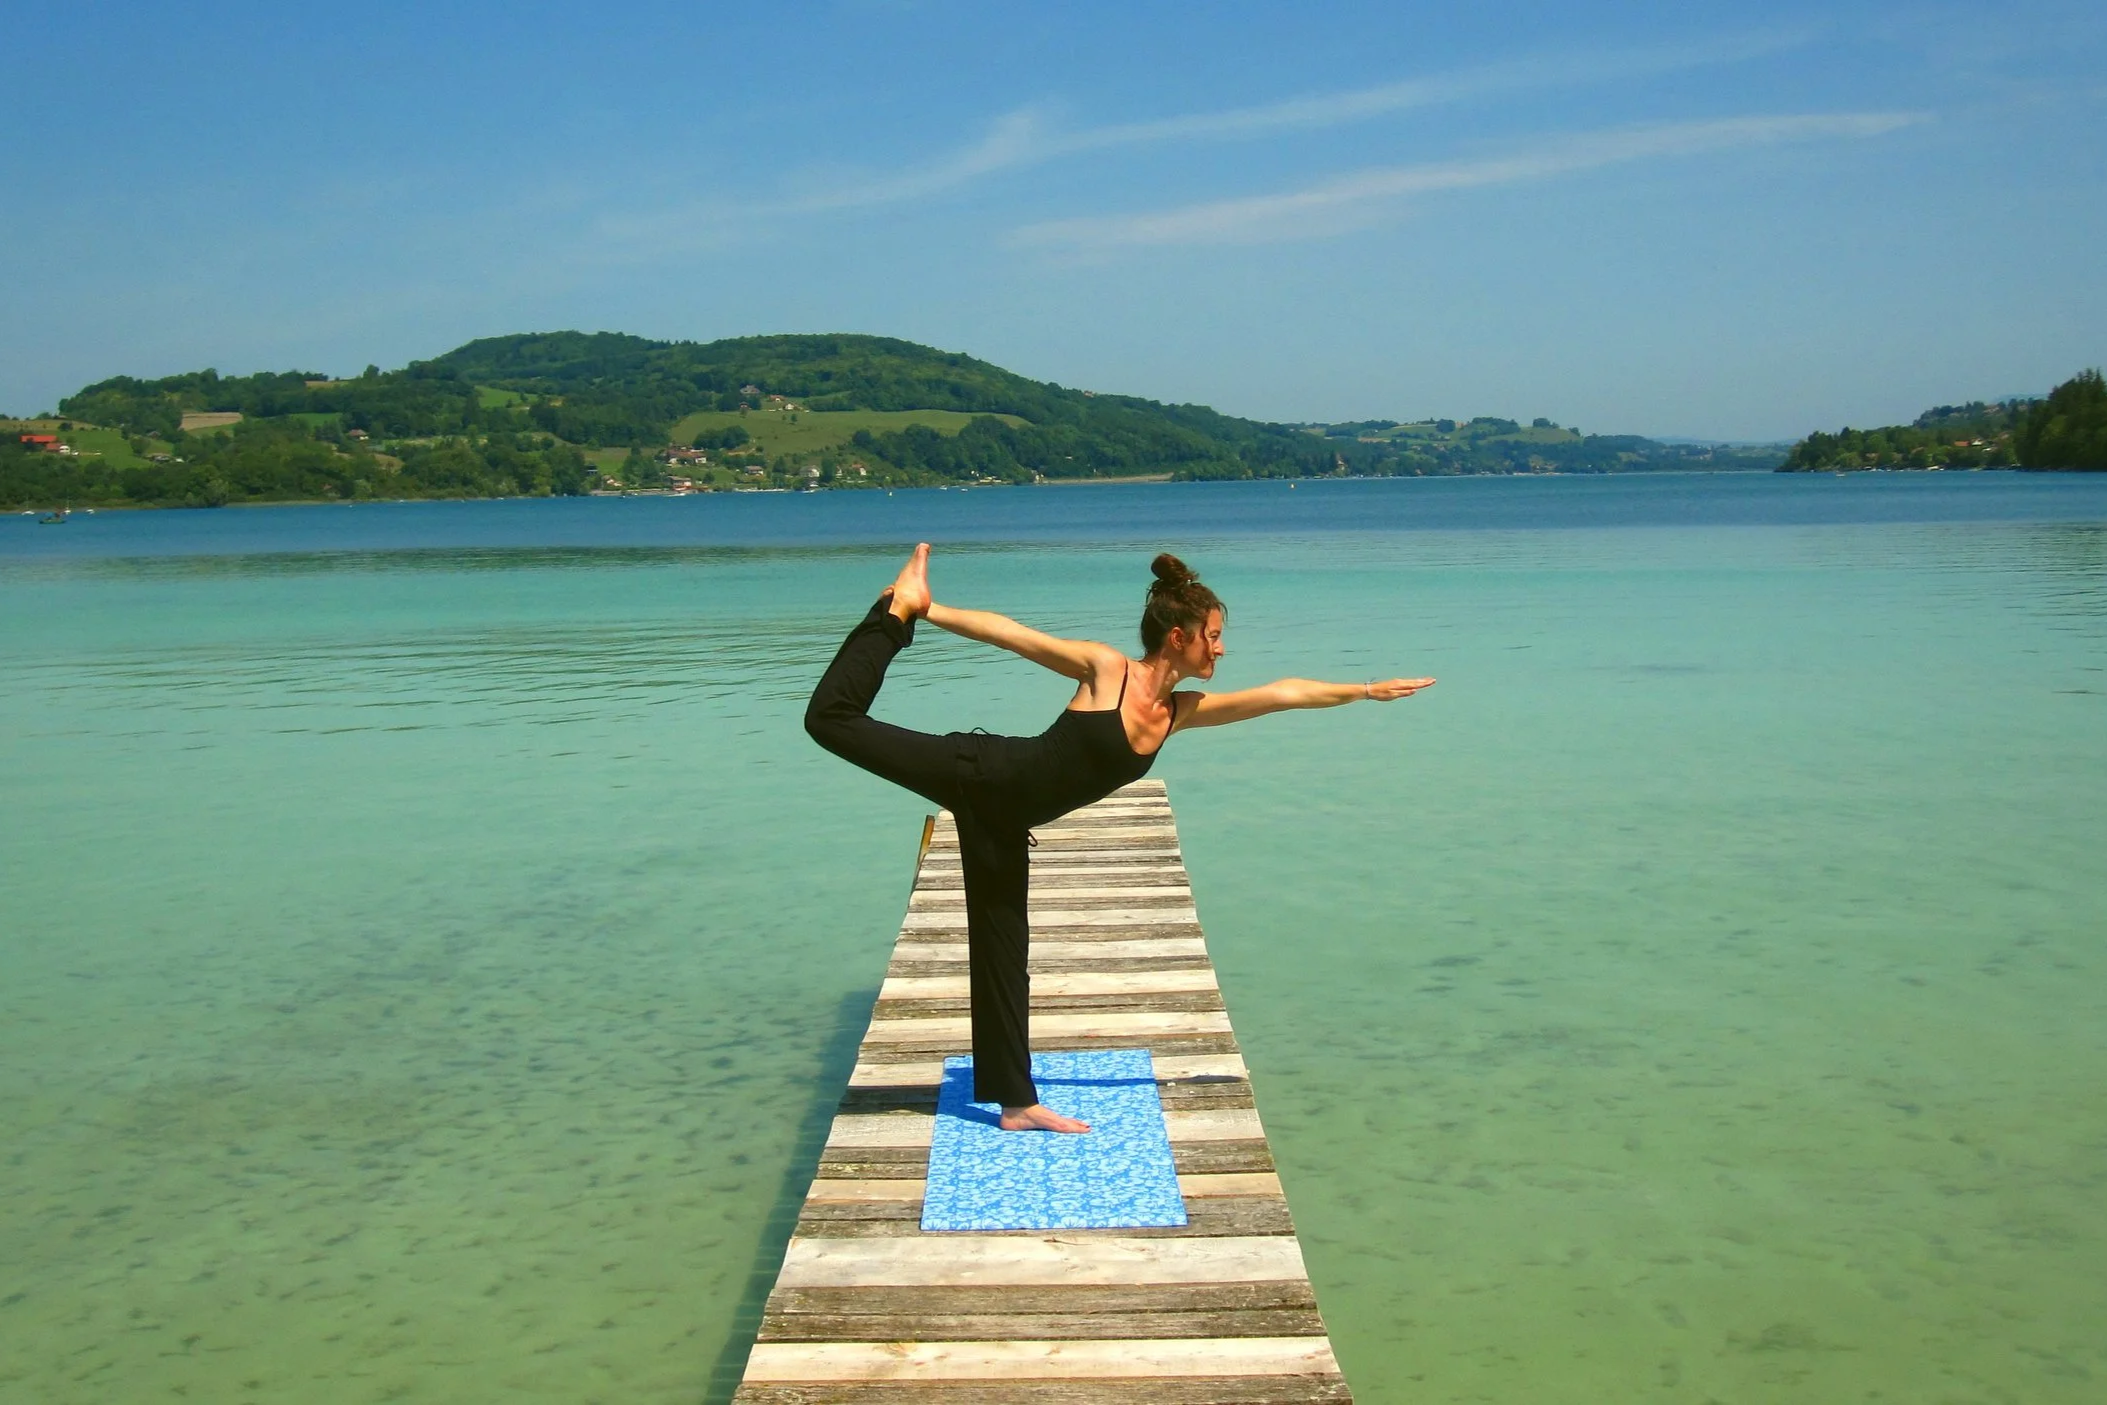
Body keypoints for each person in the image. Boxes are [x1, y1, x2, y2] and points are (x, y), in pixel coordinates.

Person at [805, 544, 1434, 1133]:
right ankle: (891, 616)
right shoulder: (1108, 669)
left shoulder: (1177, 713)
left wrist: (1366, 690)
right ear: (1178, 636)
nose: (1220, 651)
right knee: (830, 721)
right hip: (980, 772)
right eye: (1213, 638)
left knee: (1005, 953)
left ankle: (1016, 1102)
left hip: (1003, 822)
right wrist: (923, 609)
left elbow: (1279, 694)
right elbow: (1012, 635)